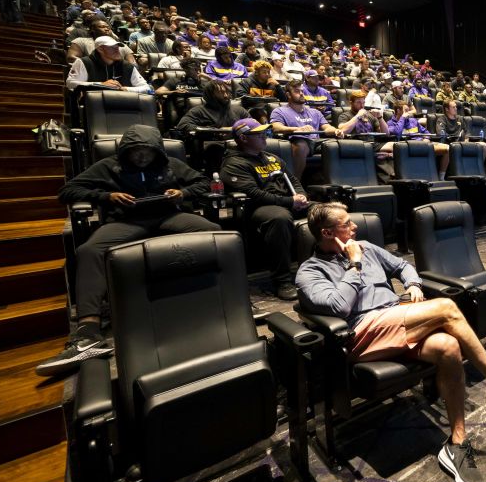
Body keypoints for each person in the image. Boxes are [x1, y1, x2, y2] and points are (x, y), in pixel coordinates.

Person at [296, 202, 486, 482]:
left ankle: (457, 442)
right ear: (328, 232)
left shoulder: (367, 246)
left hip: (397, 317)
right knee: (446, 307)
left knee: (447, 346)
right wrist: (354, 263)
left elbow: (402, 265)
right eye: (346, 224)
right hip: (361, 333)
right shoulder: (309, 271)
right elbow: (339, 307)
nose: (354, 227)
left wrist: (414, 283)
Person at [37, 125, 218, 376]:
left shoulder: (170, 164)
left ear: (157, 151)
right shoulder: (108, 165)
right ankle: (88, 332)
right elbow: (67, 191)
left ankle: (219, 296)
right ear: (125, 150)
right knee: (90, 250)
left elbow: (203, 182)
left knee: (216, 233)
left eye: (147, 151)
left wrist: (182, 193)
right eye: (136, 151)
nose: (142, 156)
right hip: (126, 221)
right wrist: (107, 196)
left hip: (166, 216)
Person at [221, 118, 311, 300]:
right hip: (258, 208)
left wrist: (301, 196)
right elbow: (255, 194)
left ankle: (325, 266)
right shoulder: (233, 164)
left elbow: (292, 180)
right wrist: (290, 202)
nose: (265, 137)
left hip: (287, 201)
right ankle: (282, 281)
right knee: (280, 218)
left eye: (265, 133)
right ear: (243, 138)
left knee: (326, 211)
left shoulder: (272, 157)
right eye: (259, 134)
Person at [270, 81, 343, 179]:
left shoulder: (315, 112)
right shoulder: (279, 111)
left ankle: (335, 180)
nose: (301, 93)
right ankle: (295, 183)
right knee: (301, 145)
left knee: (338, 144)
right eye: (297, 91)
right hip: (295, 140)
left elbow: (327, 127)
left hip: (316, 142)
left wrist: (336, 131)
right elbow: (276, 127)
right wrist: (298, 129)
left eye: (302, 91)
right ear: (288, 94)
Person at [65, 36, 151, 93]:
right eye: (112, 47)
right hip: (94, 104)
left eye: (117, 47)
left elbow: (146, 88)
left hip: (122, 103)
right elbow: (70, 83)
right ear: (100, 49)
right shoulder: (84, 62)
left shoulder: (126, 66)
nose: (117, 50)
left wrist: (124, 89)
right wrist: (101, 85)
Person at [175, 80, 251, 131]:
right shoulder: (198, 111)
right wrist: (217, 130)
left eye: (226, 92)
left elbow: (253, 124)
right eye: (221, 92)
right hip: (213, 144)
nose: (226, 95)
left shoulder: (239, 110)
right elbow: (182, 125)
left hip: (240, 144)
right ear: (210, 95)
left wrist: (237, 130)